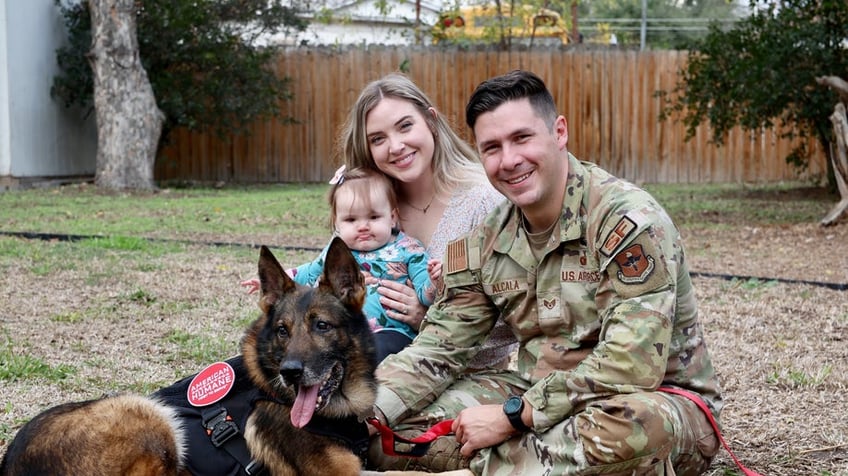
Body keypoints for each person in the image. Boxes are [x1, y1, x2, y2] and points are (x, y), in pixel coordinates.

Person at [367, 70, 723, 475]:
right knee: (393, 435)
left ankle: (475, 470)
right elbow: (438, 347)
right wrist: (361, 408)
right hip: (535, 392)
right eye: (492, 148)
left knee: (633, 430)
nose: (510, 160)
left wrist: (511, 419)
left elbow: (632, 363)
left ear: (559, 131)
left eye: (522, 138)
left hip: (649, 398)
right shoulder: (484, 240)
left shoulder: (625, 221)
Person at [340, 72, 518, 370]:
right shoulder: (370, 206)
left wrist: (427, 319)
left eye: (405, 126)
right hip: (361, 355)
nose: (395, 146)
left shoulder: (484, 201)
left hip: (465, 375)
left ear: (431, 122)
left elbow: (511, 321)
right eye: (378, 139)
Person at [243, 166, 437, 362]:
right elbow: (308, 273)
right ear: (337, 222)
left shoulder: (408, 249)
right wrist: (275, 281)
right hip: (339, 332)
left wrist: (433, 284)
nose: (363, 226)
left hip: (391, 330)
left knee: (375, 354)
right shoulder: (336, 252)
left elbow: (424, 290)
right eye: (351, 219)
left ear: (392, 218)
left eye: (374, 217)